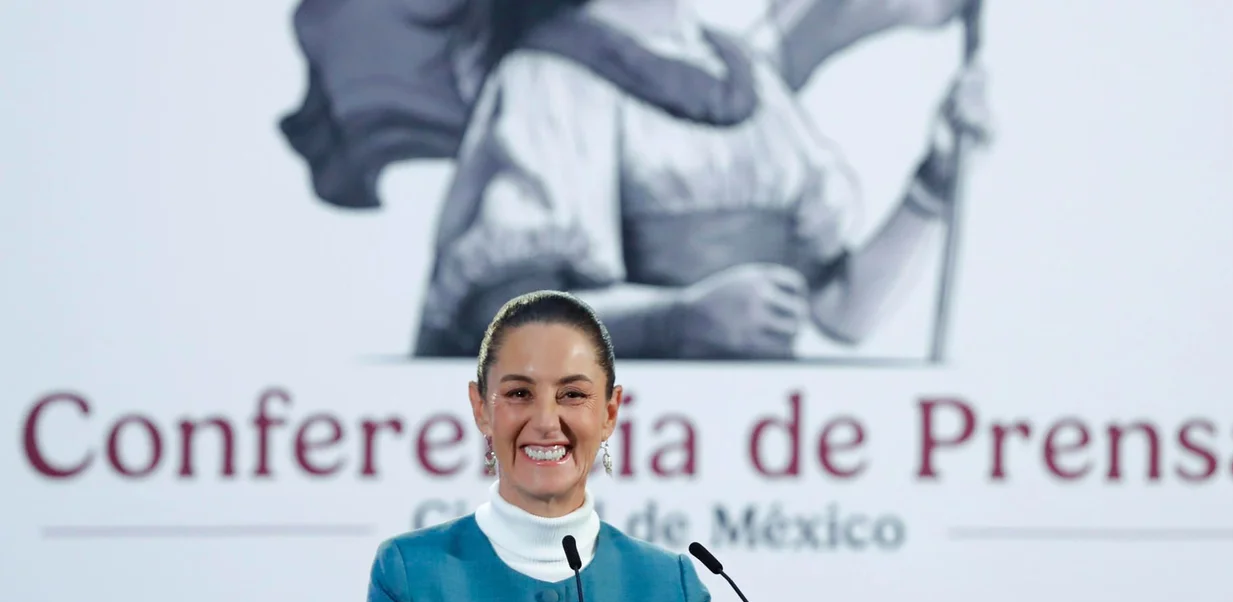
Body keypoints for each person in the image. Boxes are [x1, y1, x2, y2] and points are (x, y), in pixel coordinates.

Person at [280, 0, 990, 361]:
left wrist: (935, 180)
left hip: (769, 471)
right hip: (619, 476)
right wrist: (681, 316)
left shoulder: (754, 85)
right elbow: (502, 324)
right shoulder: (550, 80)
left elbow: (843, 312)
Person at [359, 290, 726, 602]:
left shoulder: (671, 586)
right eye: (519, 393)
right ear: (481, 409)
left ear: (610, 411)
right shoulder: (410, 573)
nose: (547, 421)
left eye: (572, 394)